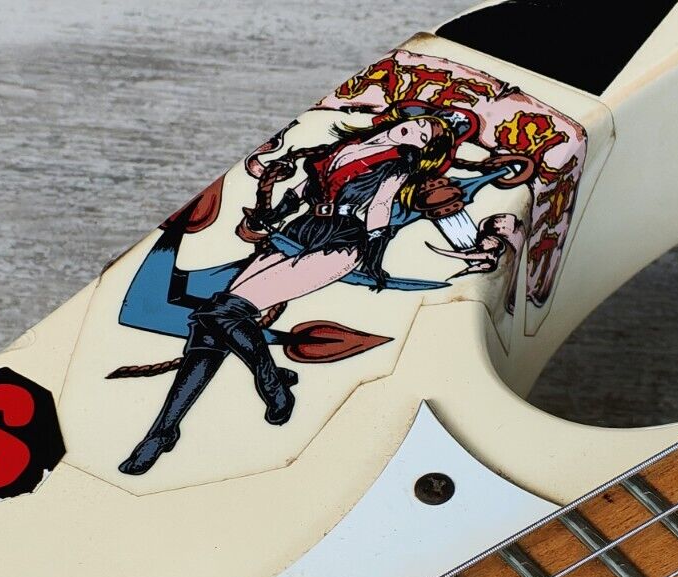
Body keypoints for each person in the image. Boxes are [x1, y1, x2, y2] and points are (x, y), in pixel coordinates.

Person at [119, 104, 476, 476]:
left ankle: (246, 393)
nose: (415, 131)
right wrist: (273, 214)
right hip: (298, 231)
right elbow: (306, 188)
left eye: (423, 137)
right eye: (419, 124)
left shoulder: (396, 166)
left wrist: (374, 254)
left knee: (222, 312)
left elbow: (380, 207)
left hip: (340, 242)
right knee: (212, 323)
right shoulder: (348, 145)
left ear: (420, 151)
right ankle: (176, 425)